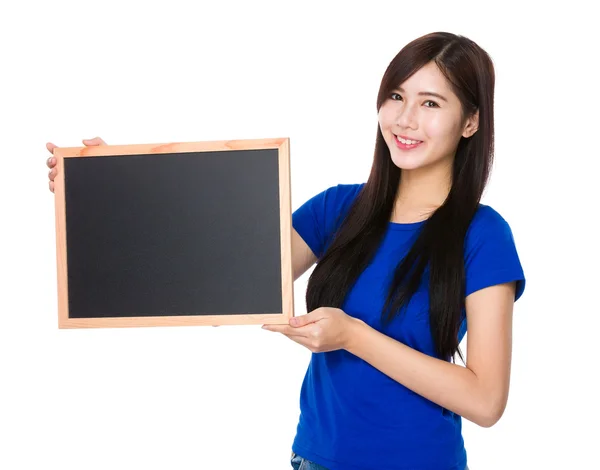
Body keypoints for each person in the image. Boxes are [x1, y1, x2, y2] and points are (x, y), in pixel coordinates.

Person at [46, 32, 525, 470]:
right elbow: (219, 285)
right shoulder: (339, 209)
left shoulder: (482, 234)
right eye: (396, 96)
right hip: (315, 460)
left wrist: (354, 337)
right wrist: (118, 187)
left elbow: (485, 400)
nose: (405, 119)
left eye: (431, 103)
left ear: (470, 122)